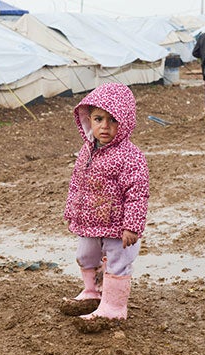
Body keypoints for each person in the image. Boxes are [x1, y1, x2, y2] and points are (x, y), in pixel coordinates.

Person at [60, 82, 150, 333]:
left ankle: (114, 307)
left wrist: (132, 226)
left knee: (117, 262)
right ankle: (93, 292)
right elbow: (77, 182)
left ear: (125, 122)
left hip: (117, 226)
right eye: (99, 119)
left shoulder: (130, 156)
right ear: (88, 119)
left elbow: (137, 193)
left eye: (113, 120)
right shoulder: (87, 150)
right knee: (85, 255)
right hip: (89, 222)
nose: (105, 126)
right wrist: (72, 211)